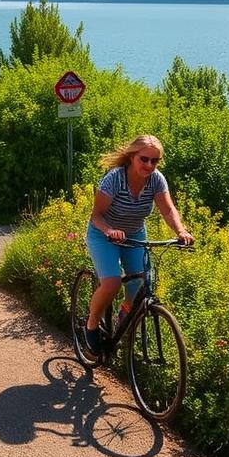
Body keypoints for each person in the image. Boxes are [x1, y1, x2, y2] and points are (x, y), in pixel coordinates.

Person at [84, 134, 193, 359]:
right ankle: (91, 325)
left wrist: (181, 231)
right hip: (103, 234)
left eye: (155, 161)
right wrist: (109, 231)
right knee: (112, 281)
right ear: (132, 157)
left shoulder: (156, 180)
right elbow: (96, 216)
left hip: (134, 235)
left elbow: (168, 209)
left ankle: (120, 322)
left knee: (142, 283)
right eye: (144, 159)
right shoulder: (114, 179)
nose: (149, 165)